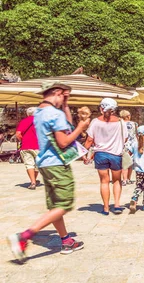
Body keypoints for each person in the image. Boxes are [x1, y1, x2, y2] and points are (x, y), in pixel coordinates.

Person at [7, 82, 90, 262]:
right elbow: (64, 141)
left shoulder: (39, 113)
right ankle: (24, 236)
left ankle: (66, 240)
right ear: (57, 92)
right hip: (57, 164)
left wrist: (66, 104)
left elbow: (65, 125)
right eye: (63, 97)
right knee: (64, 205)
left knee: (55, 206)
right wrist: (81, 128)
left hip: (44, 163)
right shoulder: (54, 113)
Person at [83, 98, 128, 215]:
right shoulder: (121, 123)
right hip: (116, 155)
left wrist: (84, 154)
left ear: (101, 108)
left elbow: (89, 140)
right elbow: (126, 139)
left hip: (100, 154)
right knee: (117, 181)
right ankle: (117, 205)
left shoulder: (95, 122)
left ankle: (106, 208)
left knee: (104, 182)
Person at [16, 107, 40, 189]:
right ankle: (34, 181)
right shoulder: (40, 121)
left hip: (25, 146)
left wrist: (23, 140)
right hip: (38, 146)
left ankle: (33, 182)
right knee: (38, 165)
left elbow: (18, 134)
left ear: (27, 114)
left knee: (29, 164)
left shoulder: (23, 121)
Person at [119, 110, 137, 187]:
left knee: (125, 162)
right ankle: (128, 178)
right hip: (133, 144)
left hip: (124, 144)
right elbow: (137, 134)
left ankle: (124, 179)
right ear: (127, 116)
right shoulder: (134, 124)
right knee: (130, 162)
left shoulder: (119, 124)